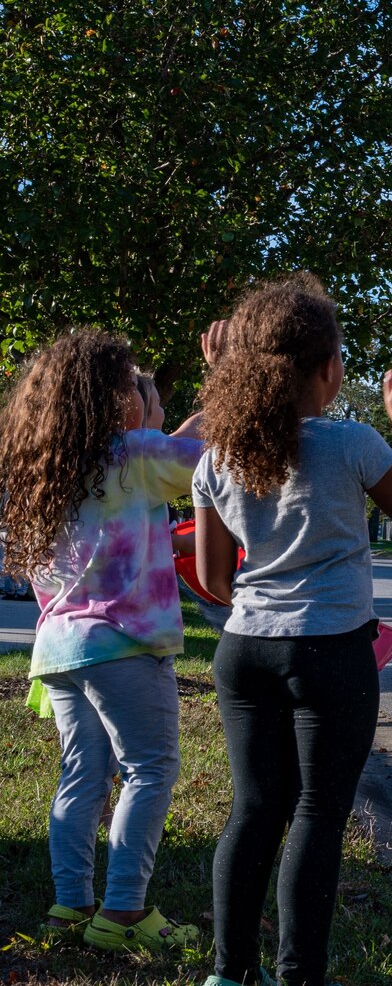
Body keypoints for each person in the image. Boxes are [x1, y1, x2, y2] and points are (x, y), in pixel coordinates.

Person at [193, 274, 392, 986]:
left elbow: (213, 579)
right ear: (328, 369)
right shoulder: (349, 444)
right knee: (317, 813)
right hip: (330, 651)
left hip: (245, 651)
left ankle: (227, 973)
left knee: (253, 810)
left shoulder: (218, 457)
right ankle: (299, 974)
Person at [0, 327, 218, 956]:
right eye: (133, 383)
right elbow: (214, 457)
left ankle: (71, 906)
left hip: (59, 650)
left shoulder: (43, 472)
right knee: (150, 769)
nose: (144, 390)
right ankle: (124, 912)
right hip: (122, 645)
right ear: (110, 396)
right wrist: (228, 379)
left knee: (81, 778)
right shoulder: (136, 457)